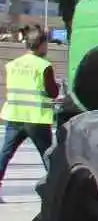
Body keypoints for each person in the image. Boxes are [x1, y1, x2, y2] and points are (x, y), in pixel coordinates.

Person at [0, 26, 59, 200]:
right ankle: (57, 194)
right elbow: (52, 92)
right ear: (40, 45)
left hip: (15, 115)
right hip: (36, 119)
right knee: (50, 157)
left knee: (5, 153)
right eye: (46, 44)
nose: (47, 48)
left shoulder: (12, 65)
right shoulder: (44, 66)